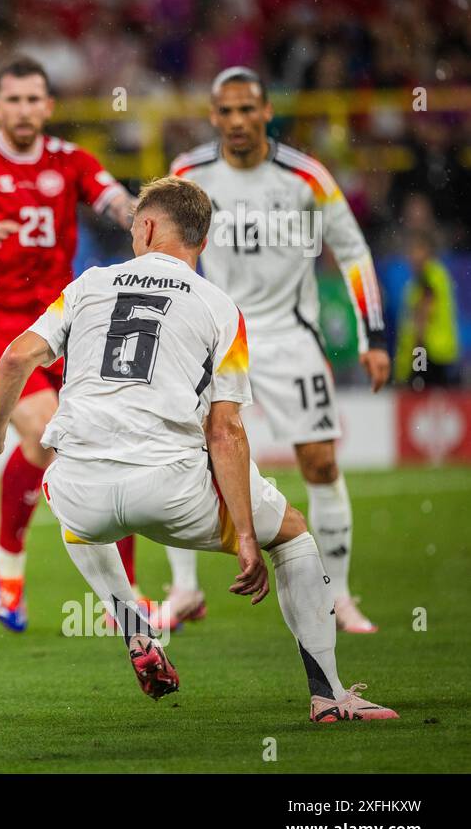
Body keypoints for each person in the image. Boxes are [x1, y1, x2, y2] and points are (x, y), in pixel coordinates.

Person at [0, 176, 397, 722]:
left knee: (65, 490)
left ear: (144, 227)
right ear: (203, 242)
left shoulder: (88, 285)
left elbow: (15, 359)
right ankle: (330, 695)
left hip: (80, 492)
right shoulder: (221, 308)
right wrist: (243, 538)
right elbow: (226, 432)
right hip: (171, 491)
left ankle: (134, 628)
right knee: (293, 534)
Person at [0, 55, 141, 633]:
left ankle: (24, 568)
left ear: (49, 106)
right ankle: (89, 587)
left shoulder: (72, 162)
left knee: (98, 437)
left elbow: (120, 203)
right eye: (13, 99)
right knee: (49, 429)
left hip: (62, 321)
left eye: (34, 99)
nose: (24, 109)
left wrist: (153, 217)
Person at [161, 67, 391, 635]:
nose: (237, 121)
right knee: (178, 456)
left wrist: (374, 338)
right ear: (213, 116)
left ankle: (337, 597)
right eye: (226, 111)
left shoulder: (305, 177)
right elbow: (162, 249)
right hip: (216, 334)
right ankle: (185, 590)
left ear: (266, 113)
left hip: (290, 336)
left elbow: (354, 252)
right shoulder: (188, 174)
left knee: (320, 462)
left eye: (247, 110)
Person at [394, 228, 461, 389]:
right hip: (439, 354)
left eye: (417, 249)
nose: (412, 256)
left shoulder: (428, 277)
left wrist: (417, 366)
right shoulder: (436, 276)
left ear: (428, 251)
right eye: (410, 250)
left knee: (422, 399)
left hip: (430, 355)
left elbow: (421, 323)